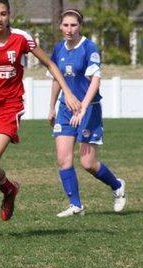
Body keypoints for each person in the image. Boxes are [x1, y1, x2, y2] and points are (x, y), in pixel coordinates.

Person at [0, 0, 81, 241]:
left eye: (4, 13)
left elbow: (50, 63)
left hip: (10, 108)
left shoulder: (21, 39)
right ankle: (9, 188)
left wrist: (68, 93)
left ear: (9, 15)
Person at [47, 9, 126, 217]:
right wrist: (51, 107)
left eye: (73, 25)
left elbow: (95, 81)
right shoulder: (58, 49)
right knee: (63, 159)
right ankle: (76, 205)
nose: (69, 29)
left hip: (88, 108)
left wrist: (82, 107)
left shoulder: (89, 47)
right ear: (60, 26)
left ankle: (117, 186)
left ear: (80, 26)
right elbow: (57, 79)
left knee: (87, 163)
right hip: (65, 109)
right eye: (65, 25)